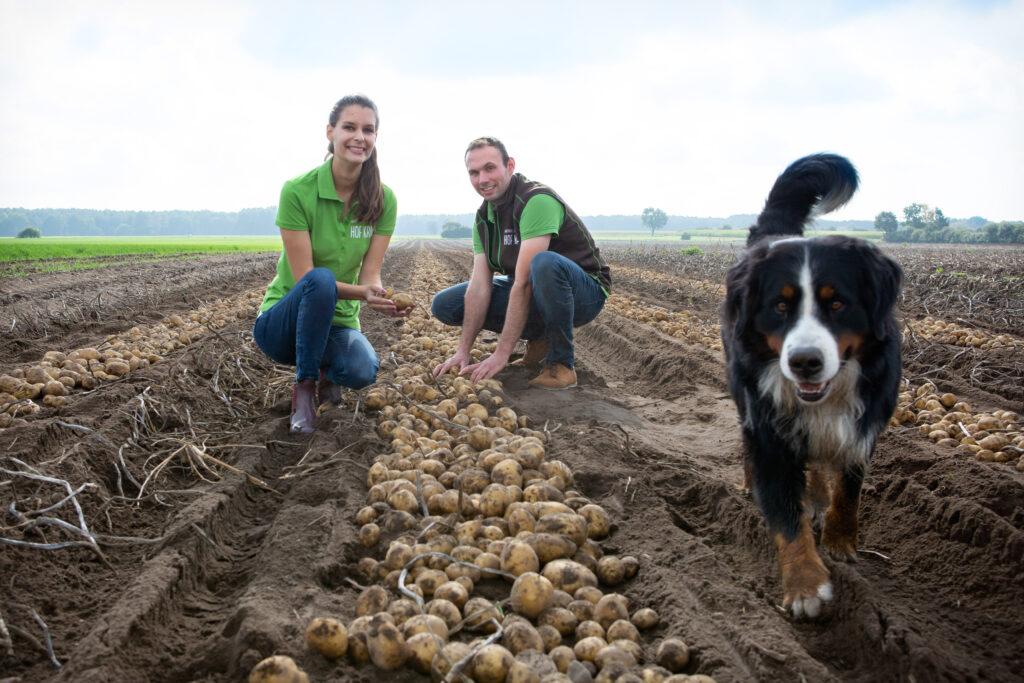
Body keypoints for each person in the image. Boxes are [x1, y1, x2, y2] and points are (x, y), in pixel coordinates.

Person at [254, 94, 412, 435]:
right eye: (349, 127)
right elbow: (306, 280)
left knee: (362, 370)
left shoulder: (384, 200)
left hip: (337, 323)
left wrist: (380, 296)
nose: (360, 137)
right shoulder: (298, 191)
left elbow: (370, 272)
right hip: (282, 322)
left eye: (368, 130)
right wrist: (362, 293)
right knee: (322, 280)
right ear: (330, 132)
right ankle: (305, 388)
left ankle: (327, 376)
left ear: (375, 138)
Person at [431, 137, 610, 390]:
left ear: (510, 166)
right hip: (538, 290)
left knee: (543, 264)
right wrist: (463, 351)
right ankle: (540, 341)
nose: (482, 179)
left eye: (490, 168)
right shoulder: (484, 218)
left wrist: (502, 354)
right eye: (474, 173)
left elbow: (524, 283)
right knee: (446, 304)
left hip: (584, 292)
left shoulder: (535, 201)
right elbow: (480, 286)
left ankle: (561, 365)